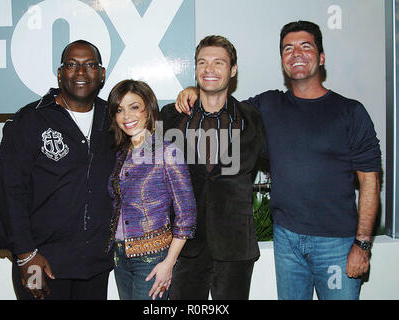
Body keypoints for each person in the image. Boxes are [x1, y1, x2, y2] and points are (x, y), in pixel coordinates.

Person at [175, 21, 381, 300]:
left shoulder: (350, 112)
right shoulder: (266, 106)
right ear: (282, 60)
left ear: (321, 57)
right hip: (287, 241)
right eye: (288, 48)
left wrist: (362, 244)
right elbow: (220, 104)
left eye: (305, 46)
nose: (296, 53)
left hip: (337, 244)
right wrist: (194, 90)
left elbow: (369, 181)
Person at [0, 40, 115, 300]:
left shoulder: (114, 120)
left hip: (93, 267)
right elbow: (8, 191)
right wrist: (25, 256)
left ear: (102, 74)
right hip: (40, 264)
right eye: (72, 65)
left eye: (90, 65)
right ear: (60, 74)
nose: (81, 72)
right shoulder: (30, 120)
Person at [161, 35, 266, 300]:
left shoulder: (251, 117)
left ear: (233, 70)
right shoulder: (170, 117)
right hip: (185, 245)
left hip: (235, 247)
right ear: (195, 69)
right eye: (202, 63)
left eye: (218, 63)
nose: (209, 69)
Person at [106, 79, 197, 300]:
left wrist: (168, 263)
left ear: (149, 109)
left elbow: (187, 215)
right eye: (120, 110)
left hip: (153, 259)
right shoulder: (120, 154)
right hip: (120, 256)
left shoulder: (167, 152)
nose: (127, 116)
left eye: (134, 107)